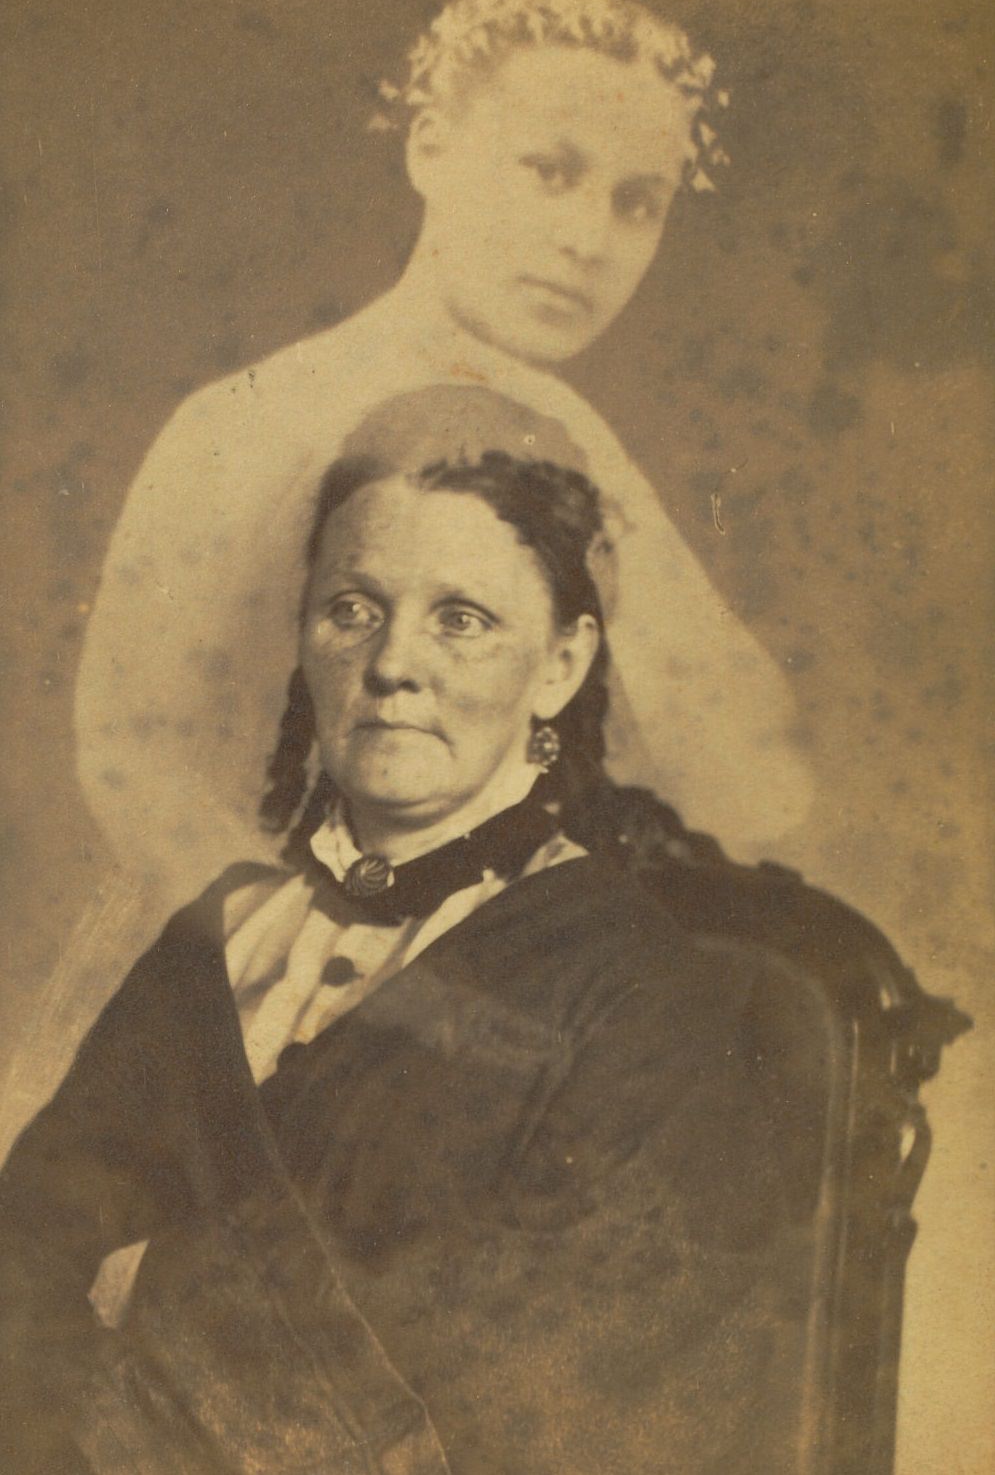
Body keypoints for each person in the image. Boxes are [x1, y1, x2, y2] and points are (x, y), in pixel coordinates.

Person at [0, 431, 825, 1475]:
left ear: (560, 665)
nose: (392, 665)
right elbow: (25, 1251)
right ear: (304, 638)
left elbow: (558, 1402)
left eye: (462, 621)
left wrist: (145, 1336)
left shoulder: (641, 995)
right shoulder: (226, 940)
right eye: (352, 610)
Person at [74, 0, 810, 916]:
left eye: (636, 202)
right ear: (431, 147)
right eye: (549, 171)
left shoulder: (586, 449)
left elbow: (757, 777)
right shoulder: (256, 416)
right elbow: (129, 751)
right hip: (244, 983)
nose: (587, 237)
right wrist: (320, 966)